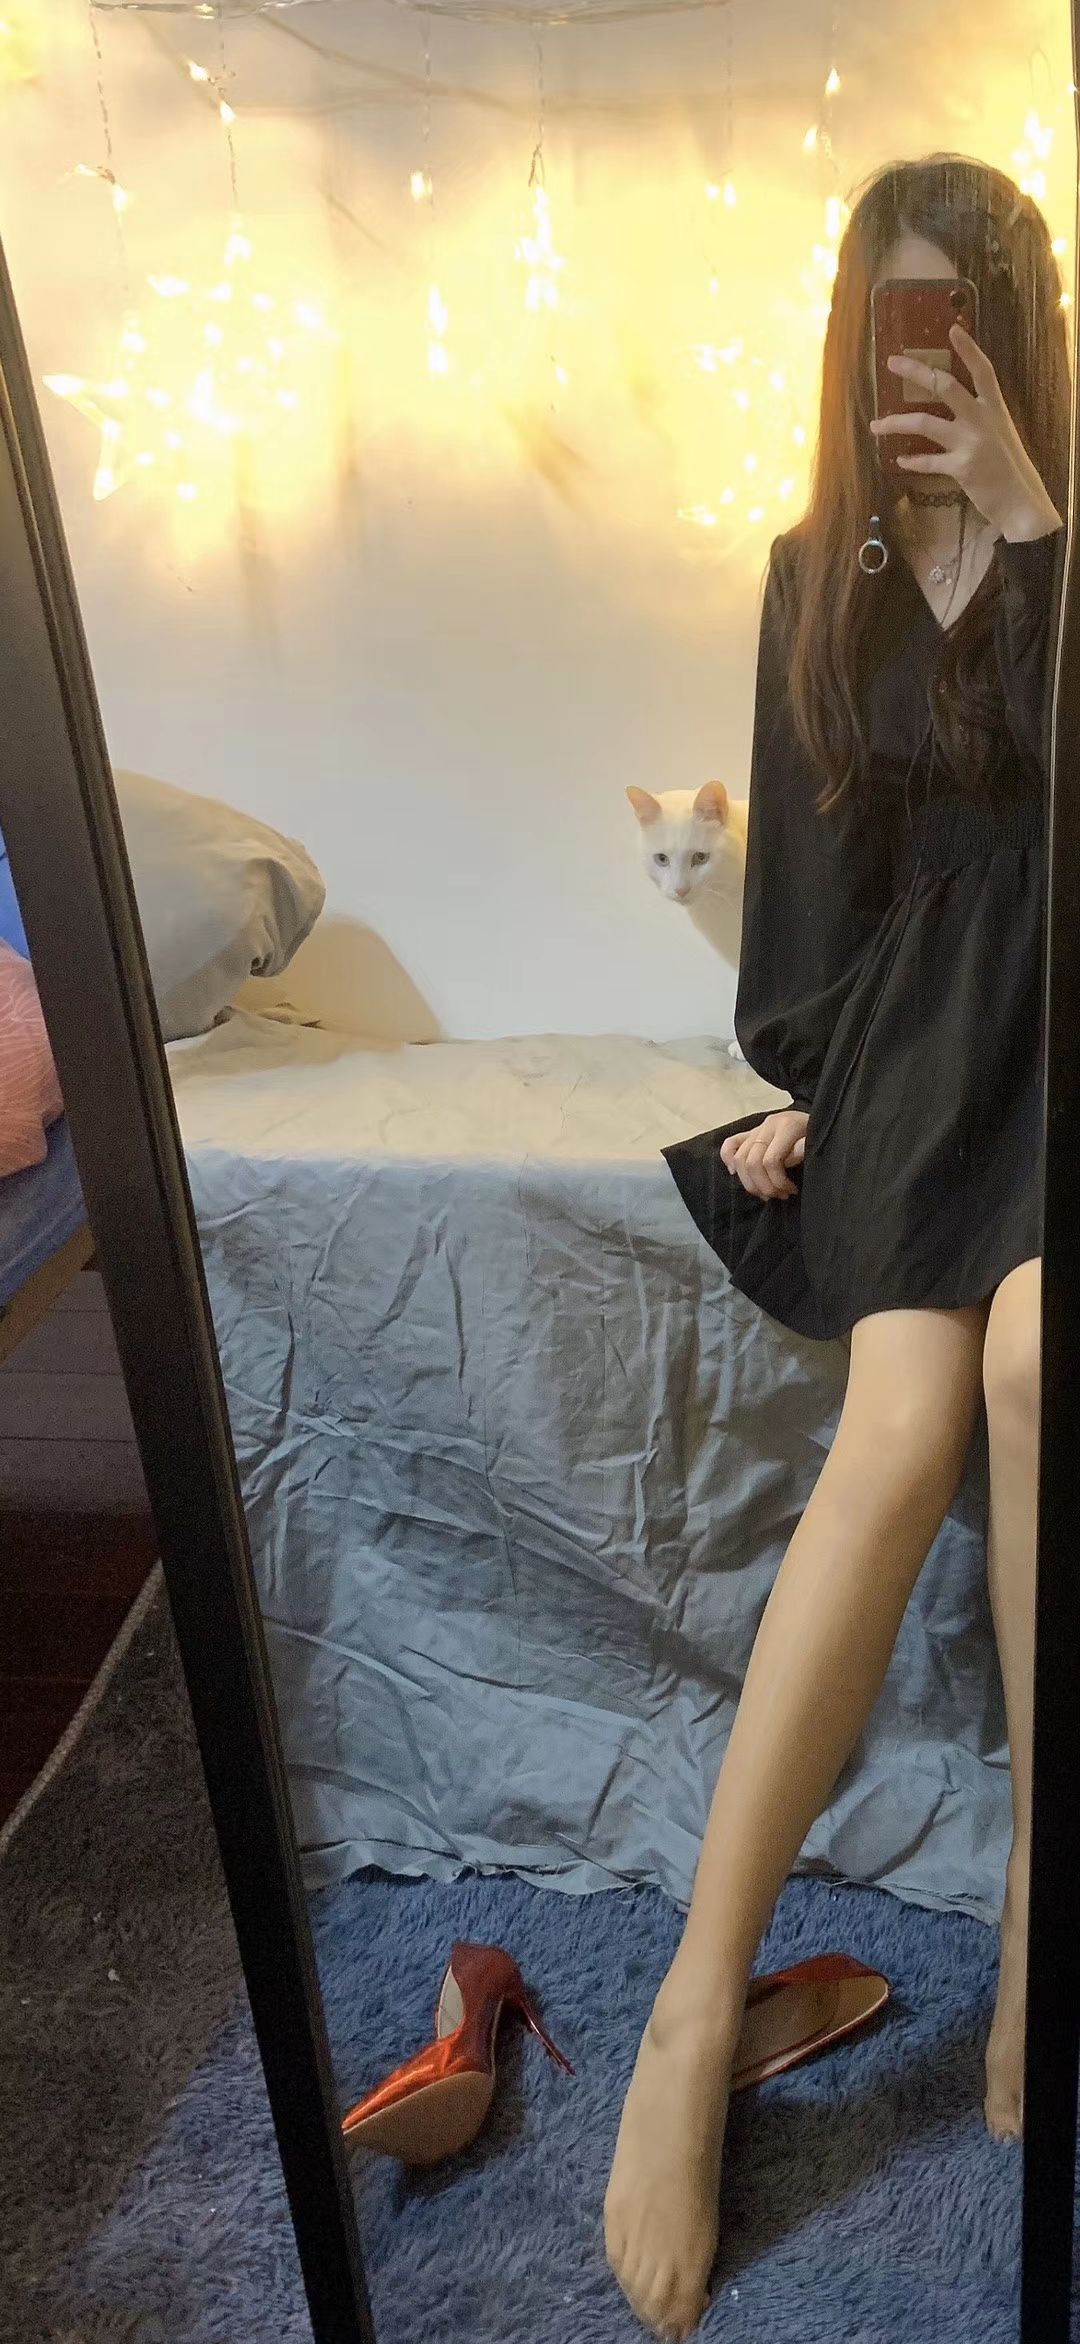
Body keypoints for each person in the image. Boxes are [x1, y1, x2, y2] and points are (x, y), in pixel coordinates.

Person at [603, 154, 1069, 2344]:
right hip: (921, 1042)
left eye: (959, 313)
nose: (923, 355)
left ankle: (1041, 1911)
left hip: (1073, 1023)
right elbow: (816, 891)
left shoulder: (1074, 532)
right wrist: (803, 1072)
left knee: (1038, 1364)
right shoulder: (819, 568)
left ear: (1014, 329)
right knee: (900, 1425)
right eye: (895, 316)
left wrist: (1042, 534)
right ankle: (698, 2000)